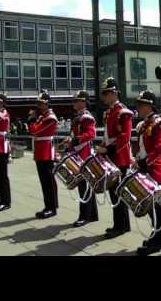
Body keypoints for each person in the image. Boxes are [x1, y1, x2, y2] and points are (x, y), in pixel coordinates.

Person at [134, 90, 161, 256]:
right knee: (152, 208)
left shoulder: (159, 123)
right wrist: (137, 161)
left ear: (149, 106)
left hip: (157, 172)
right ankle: (159, 237)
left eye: (141, 104)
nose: (138, 107)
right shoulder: (143, 124)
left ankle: (159, 240)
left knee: (157, 208)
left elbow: (159, 149)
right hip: (146, 170)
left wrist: (144, 163)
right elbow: (142, 147)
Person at [96, 77, 132, 239]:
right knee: (114, 193)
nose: (104, 96)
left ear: (114, 93)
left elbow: (125, 136)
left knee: (118, 193)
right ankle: (120, 224)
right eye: (103, 93)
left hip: (120, 157)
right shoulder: (110, 112)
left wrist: (108, 148)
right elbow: (108, 134)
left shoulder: (122, 111)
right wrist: (102, 147)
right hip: (111, 156)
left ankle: (122, 225)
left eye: (106, 93)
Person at [64, 90, 98, 228]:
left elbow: (91, 134)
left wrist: (75, 141)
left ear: (83, 102)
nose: (74, 102)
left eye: (77, 100)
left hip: (83, 154)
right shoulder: (79, 116)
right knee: (84, 186)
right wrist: (70, 140)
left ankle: (85, 215)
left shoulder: (86, 117)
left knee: (84, 186)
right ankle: (91, 214)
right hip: (78, 153)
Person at [28, 90, 59, 219]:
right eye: (39, 103)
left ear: (47, 104)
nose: (39, 106)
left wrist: (32, 120)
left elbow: (35, 131)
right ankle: (48, 205)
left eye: (42, 104)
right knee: (44, 181)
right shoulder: (42, 117)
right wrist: (33, 121)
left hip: (46, 151)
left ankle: (52, 207)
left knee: (49, 181)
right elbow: (32, 131)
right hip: (40, 151)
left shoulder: (50, 118)